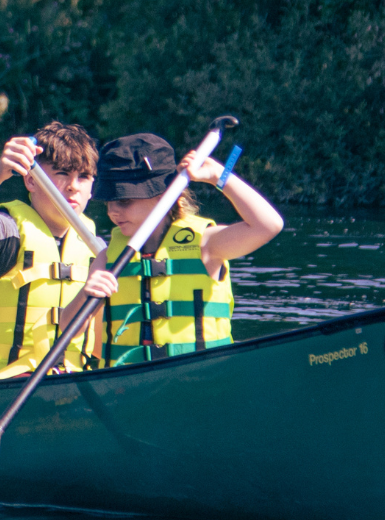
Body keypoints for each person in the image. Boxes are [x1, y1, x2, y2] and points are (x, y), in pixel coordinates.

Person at [87, 132, 284, 366]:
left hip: (202, 376)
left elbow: (269, 226)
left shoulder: (206, 244)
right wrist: (86, 295)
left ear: (163, 195)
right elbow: (88, 341)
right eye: (109, 201)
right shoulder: (106, 259)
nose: (112, 211)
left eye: (124, 201)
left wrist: (219, 176)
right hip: (129, 381)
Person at [0, 121, 101, 379]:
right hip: (1, 380)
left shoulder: (98, 249)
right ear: (31, 181)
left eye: (84, 177)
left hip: (73, 379)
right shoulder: (8, 232)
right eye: (62, 173)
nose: (73, 186)